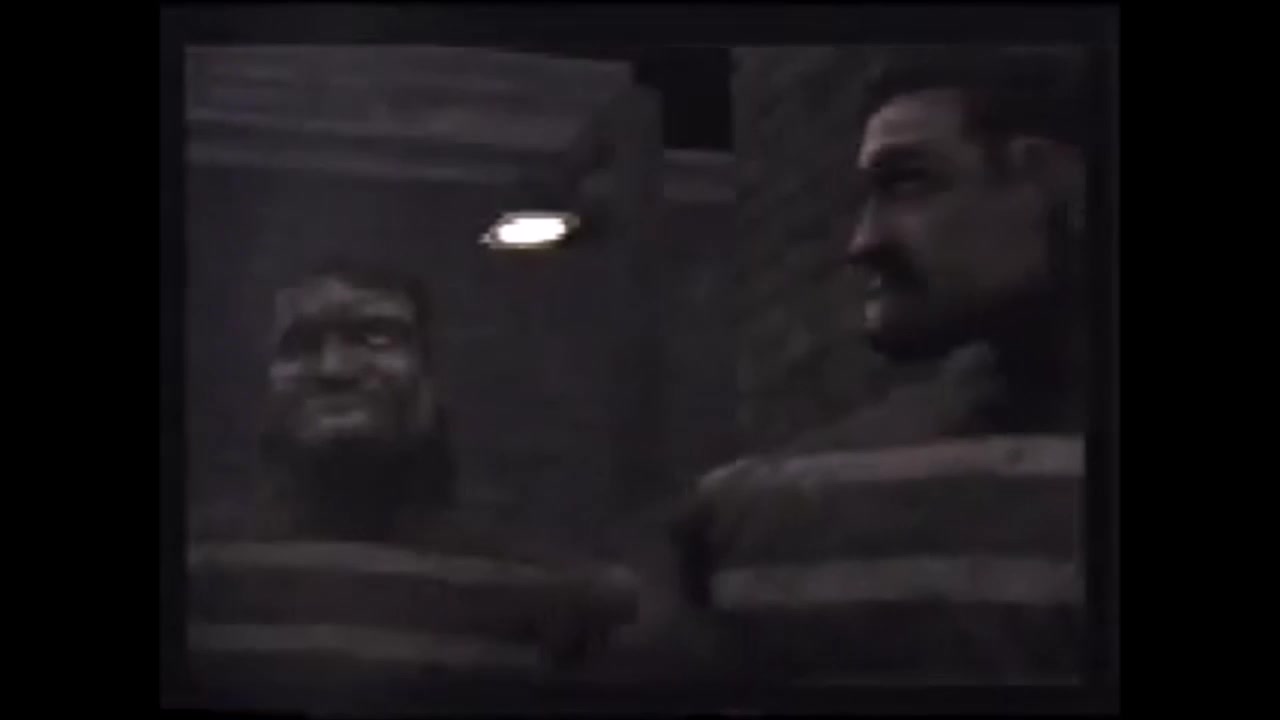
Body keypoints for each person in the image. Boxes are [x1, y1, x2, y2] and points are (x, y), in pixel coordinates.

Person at [665, 47, 1096, 685]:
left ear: (1054, 181)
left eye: (910, 183)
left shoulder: (750, 512)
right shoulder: (752, 513)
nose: (864, 242)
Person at [186, 260, 637, 713]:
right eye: (300, 345)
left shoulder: (549, 595)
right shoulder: (198, 572)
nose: (334, 368)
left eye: (375, 337)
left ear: (431, 376)